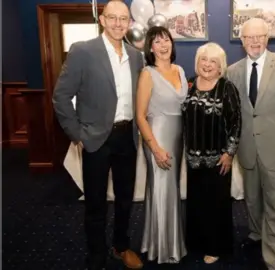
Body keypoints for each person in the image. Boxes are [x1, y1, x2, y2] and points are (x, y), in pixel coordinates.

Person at [52, 1, 144, 269]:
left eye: (123, 18)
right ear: (102, 20)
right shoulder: (83, 51)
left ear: (129, 23)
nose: (118, 23)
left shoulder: (135, 56)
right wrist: (76, 134)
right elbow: (61, 97)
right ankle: (96, 254)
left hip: (128, 137)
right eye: (112, 18)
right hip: (95, 140)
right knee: (95, 203)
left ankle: (121, 246)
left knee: (125, 199)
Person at [227, 18, 275, 270]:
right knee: (252, 200)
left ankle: (274, 257)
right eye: (249, 37)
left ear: (267, 38)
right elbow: (235, 114)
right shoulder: (233, 71)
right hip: (247, 150)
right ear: (242, 41)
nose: (254, 41)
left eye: (259, 36)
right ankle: (256, 233)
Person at [182, 42, 241, 264]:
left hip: (218, 160)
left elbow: (236, 122)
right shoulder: (188, 83)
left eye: (213, 61)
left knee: (216, 204)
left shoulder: (227, 88)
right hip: (193, 159)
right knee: (196, 202)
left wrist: (229, 153)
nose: (207, 64)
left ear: (220, 67)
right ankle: (197, 243)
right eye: (203, 59)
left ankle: (216, 247)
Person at [135, 26, 188, 264]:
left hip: (177, 139)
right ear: (151, 47)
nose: (163, 45)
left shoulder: (180, 70)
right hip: (156, 136)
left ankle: (165, 242)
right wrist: (155, 148)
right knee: (161, 189)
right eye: (157, 41)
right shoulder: (148, 73)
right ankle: (162, 248)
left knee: (171, 189)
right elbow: (140, 116)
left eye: (166, 39)